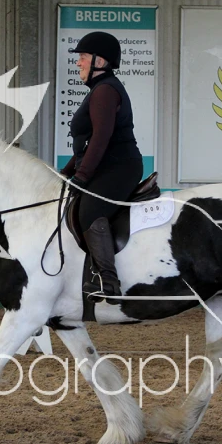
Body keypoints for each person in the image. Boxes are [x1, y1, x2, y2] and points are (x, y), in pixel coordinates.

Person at [61, 31, 143, 304]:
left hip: (119, 167)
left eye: (83, 57)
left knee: (90, 211)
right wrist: (67, 172)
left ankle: (107, 280)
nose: (78, 63)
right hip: (107, 166)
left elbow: (101, 137)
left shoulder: (106, 90)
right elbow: (86, 146)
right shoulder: (99, 90)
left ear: (100, 61)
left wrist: (82, 176)